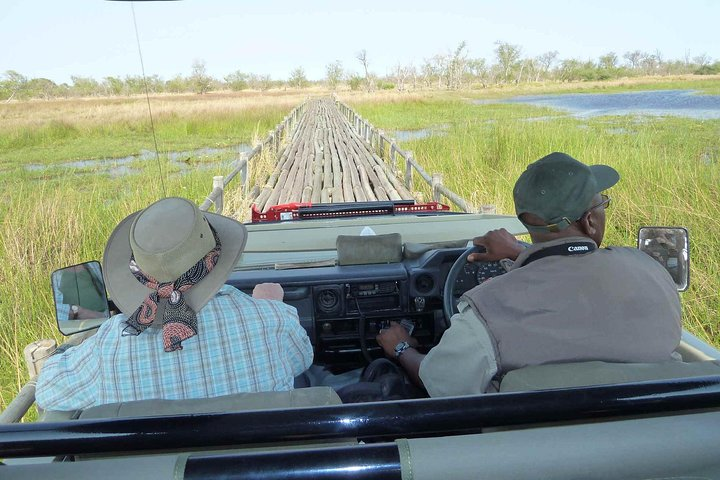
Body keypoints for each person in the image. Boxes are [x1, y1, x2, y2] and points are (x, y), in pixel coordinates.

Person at [377, 152, 682, 397]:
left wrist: (402, 348)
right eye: (602, 204)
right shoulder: (651, 270)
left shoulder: (486, 310)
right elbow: (571, 266)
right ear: (590, 221)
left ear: (525, 219)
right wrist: (518, 252)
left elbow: (437, 381)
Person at [37, 197, 313, 411]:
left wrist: (86, 341)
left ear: (140, 273)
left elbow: (47, 390)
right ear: (218, 257)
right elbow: (302, 359)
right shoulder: (271, 320)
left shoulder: (110, 345)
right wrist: (265, 306)